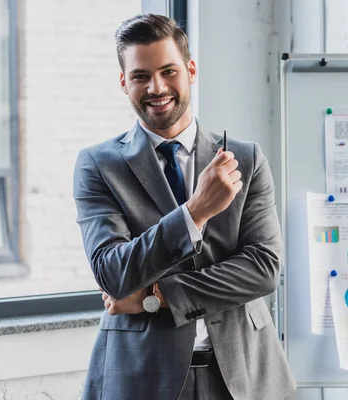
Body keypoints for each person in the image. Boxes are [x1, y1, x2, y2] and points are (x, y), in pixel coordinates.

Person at [73, 13, 296, 400]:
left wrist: (156, 297)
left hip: (245, 374)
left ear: (190, 70)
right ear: (124, 83)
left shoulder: (246, 158)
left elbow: (263, 270)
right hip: (142, 376)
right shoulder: (98, 165)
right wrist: (195, 212)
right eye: (141, 76)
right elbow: (113, 273)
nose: (156, 87)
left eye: (168, 71)